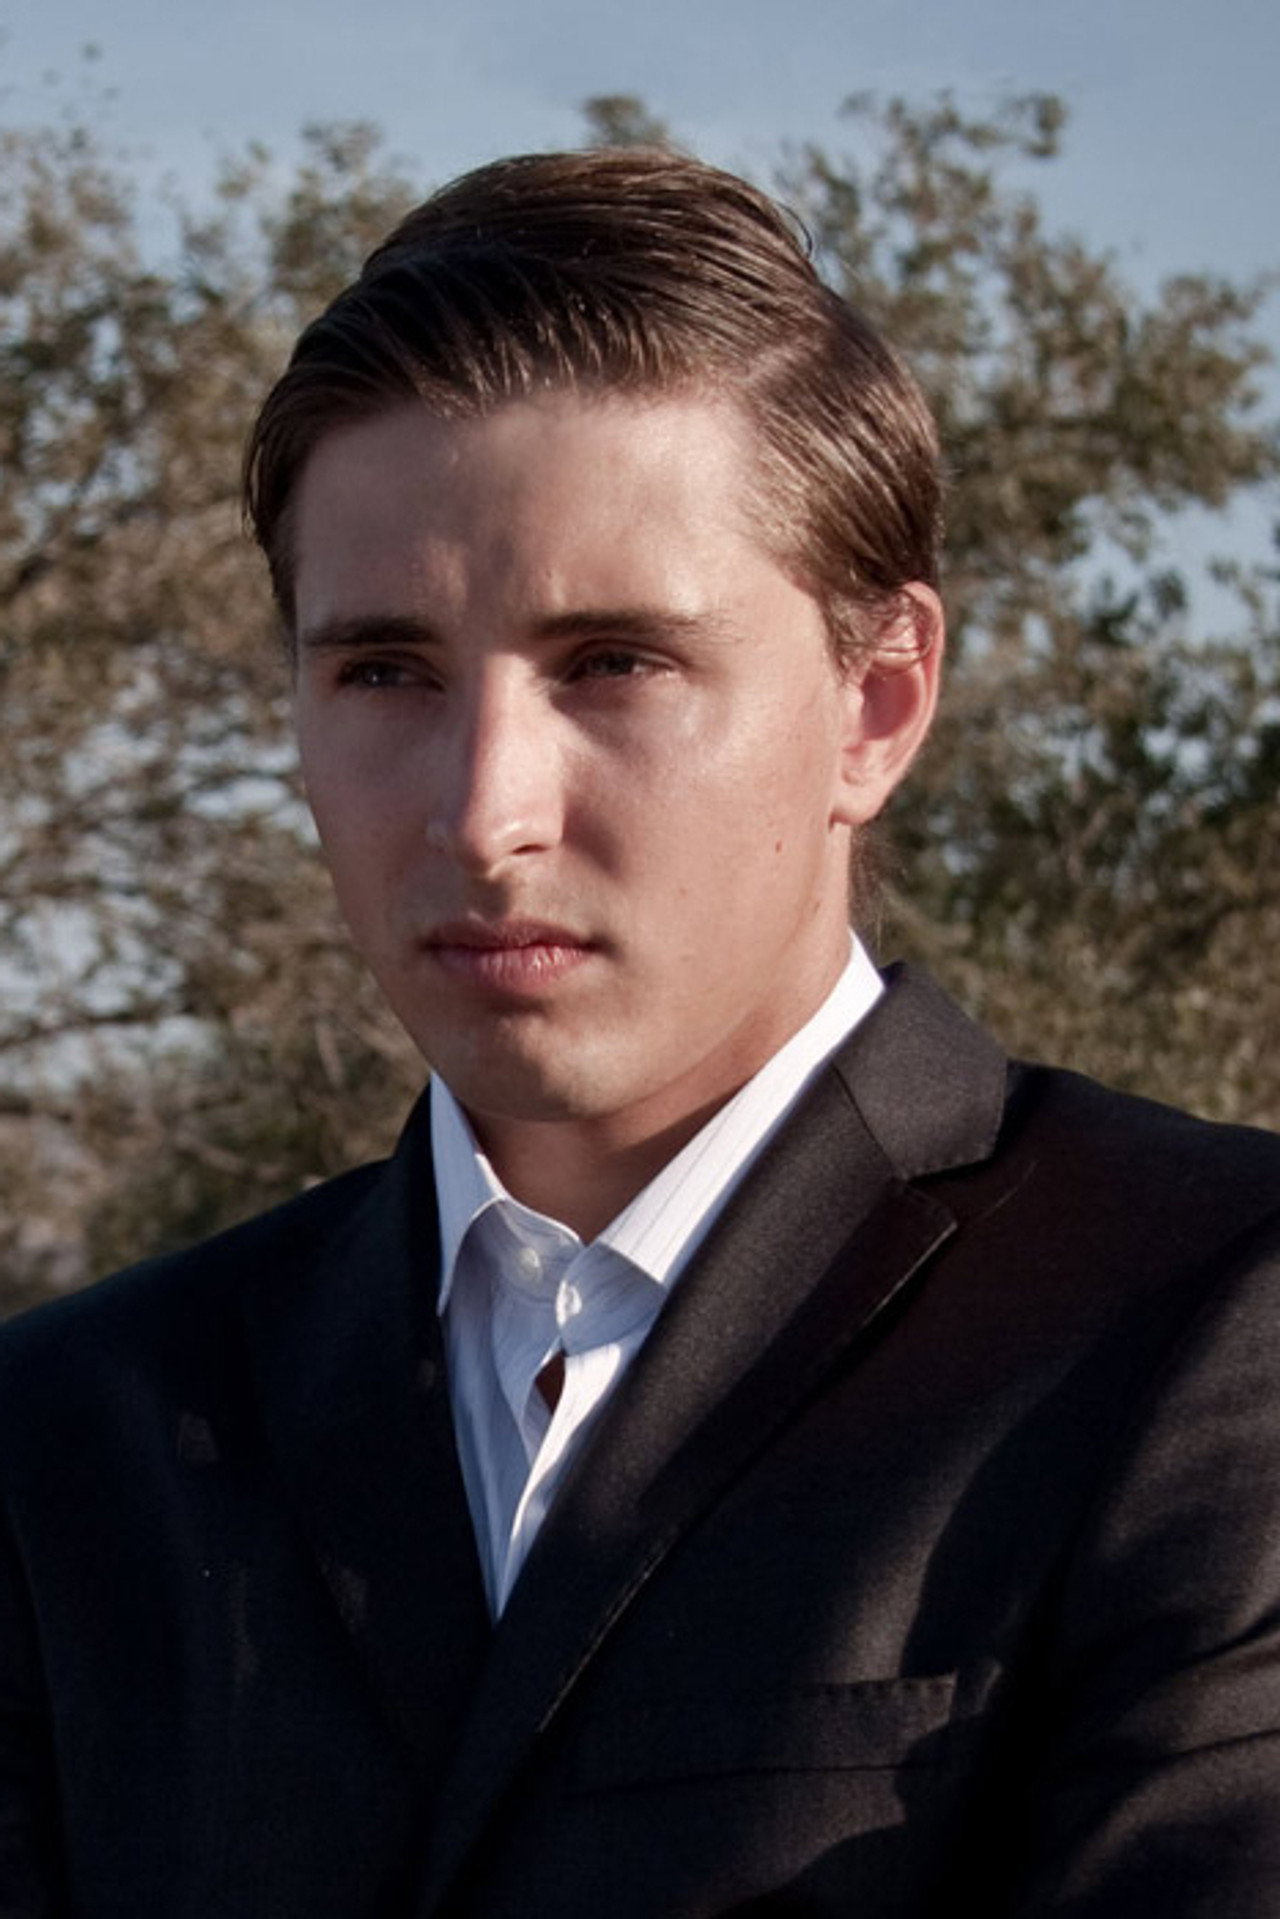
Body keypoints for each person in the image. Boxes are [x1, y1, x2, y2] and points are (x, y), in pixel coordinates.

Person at [1, 147, 1278, 1919]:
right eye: (384, 671)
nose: (484, 814)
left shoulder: (1211, 1321)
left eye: (613, 663)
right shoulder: (74, 1434)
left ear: (876, 702)